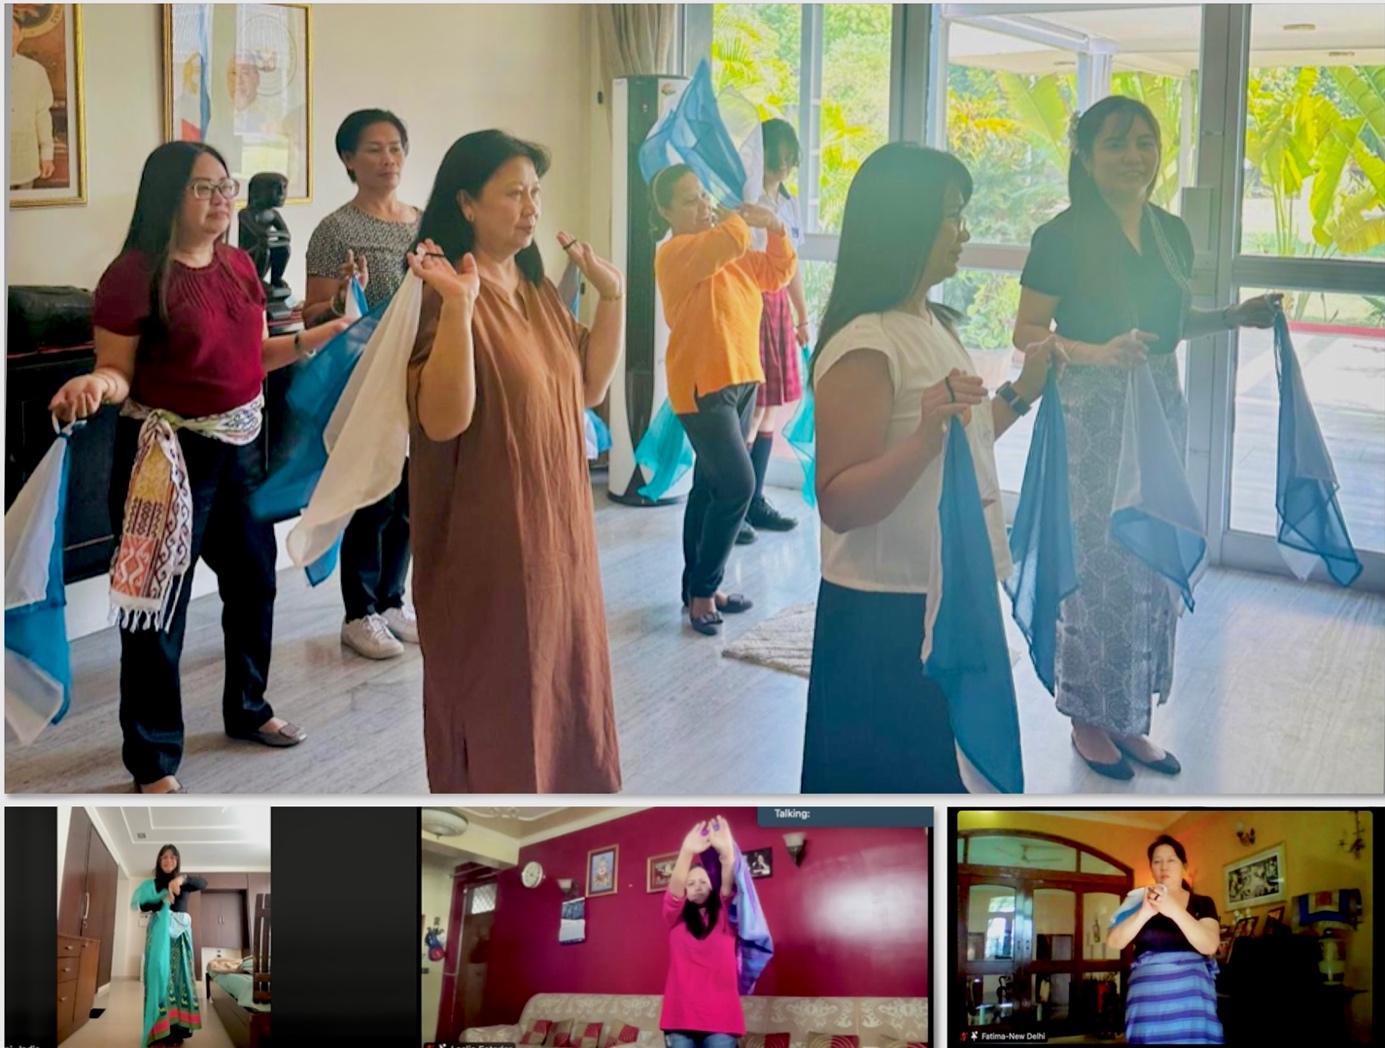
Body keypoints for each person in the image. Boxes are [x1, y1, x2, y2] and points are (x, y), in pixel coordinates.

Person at [48, 142, 351, 793]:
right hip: (163, 461)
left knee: (254, 583)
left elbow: (250, 356)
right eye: (204, 188)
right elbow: (116, 372)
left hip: (237, 451)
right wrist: (93, 387)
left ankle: (248, 709)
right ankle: (153, 758)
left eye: (226, 186)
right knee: (157, 611)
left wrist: (311, 338)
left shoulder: (239, 264)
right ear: (167, 195)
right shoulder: (132, 275)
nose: (222, 199)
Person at [1012, 95, 1281, 780]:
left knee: (1148, 564)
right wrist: (1096, 351)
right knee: (1100, 564)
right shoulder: (1061, 236)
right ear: (1084, 154)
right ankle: (1085, 717)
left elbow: (1169, 321)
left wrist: (1231, 316)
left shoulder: (1169, 231)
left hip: (1159, 404)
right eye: (1115, 145)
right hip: (1091, 411)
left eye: (1144, 142)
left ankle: (1130, 716)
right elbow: (1026, 333)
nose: (1134, 157)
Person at [802, 143, 1063, 793]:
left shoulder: (929, 322)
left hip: (943, 591)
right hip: (882, 613)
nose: (964, 231)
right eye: (952, 215)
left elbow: (959, 444)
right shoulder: (866, 342)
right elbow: (838, 501)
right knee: (890, 792)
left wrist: (1021, 393)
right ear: (905, 224)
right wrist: (922, 436)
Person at [405, 129, 624, 792]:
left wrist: (612, 297)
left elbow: (589, 387)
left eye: (535, 193)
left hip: (559, 535)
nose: (531, 207)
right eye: (513, 193)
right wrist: (459, 307)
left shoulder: (534, 289)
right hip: (488, 549)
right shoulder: (439, 289)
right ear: (466, 203)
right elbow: (443, 419)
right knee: (499, 701)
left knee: (564, 684)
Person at [650, 164, 797, 635]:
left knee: (710, 487)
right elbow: (726, 242)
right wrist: (745, 220)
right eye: (691, 200)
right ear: (666, 210)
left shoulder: (727, 251)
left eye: (705, 196)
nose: (704, 206)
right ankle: (702, 592)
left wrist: (774, 227)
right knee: (739, 485)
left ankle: (698, 586)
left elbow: (776, 273)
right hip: (702, 385)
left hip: (743, 380)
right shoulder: (676, 252)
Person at [304, 109, 423, 660]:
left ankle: (394, 598)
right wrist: (341, 296)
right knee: (372, 494)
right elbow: (312, 316)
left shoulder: (421, 221)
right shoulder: (335, 230)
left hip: (419, 372)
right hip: (366, 378)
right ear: (349, 159)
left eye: (395, 147)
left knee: (411, 497)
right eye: (373, 149)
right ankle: (360, 612)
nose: (388, 159)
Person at [743, 117, 812, 537]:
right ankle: (736, 504)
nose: (782, 170)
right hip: (750, 305)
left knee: (772, 406)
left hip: (778, 309)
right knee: (749, 410)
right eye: (776, 161)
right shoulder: (745, 201)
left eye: (789, 161)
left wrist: (802, 316)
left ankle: (754, 501)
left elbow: (792, 268)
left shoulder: (787, 204)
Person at [1106, 834, 1224, 1044]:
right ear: (1151, 867)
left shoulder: (1203, 902)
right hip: (1147, 1004)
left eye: (1171, 860)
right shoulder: (1135, 899)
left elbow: (1209, 944)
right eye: (1157, 861)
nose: (1164, 867)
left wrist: (1173, 910)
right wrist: (1145, 911)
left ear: (1184, 866)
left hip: (1192, 1002)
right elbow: (1114, 941)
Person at [660, 816, 743, 1048]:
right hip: (679, 1018)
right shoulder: (674, 919)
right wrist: (687, 851)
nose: (697, 886)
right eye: (691, 883)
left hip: (722, 1020)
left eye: (703, 882)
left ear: (711, 886)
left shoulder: (728, 916)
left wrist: (727, 856)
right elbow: (673, 894)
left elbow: (728, 888)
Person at [132, 845, 208, 1046]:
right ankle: (158, 1032)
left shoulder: (184, 881)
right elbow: (142, 904)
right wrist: (162, 898)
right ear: (159, 860)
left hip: (180, 936)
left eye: (173, 857)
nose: (168, 861)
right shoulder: (153, 884)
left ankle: (176, 1033)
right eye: (164, 857)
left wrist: (181, 879)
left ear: (177, 861)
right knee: (158, 978)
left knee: (179, 978)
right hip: (158, 934)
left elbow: (204, 882)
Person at [9, 10, 55, 189]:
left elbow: (42, 114)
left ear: (20, 35)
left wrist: (47, 155)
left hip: (25, 159)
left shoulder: (35, 71)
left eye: (10, 28)